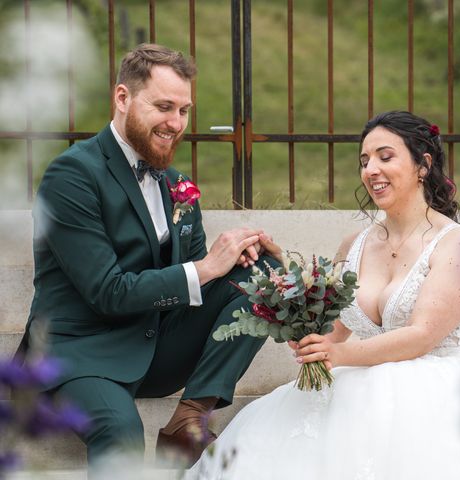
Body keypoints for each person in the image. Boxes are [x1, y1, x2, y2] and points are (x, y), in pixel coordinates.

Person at [185, 111, 460, 480]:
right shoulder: (355, 243)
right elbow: (335, 332)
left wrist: (338, 356)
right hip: (359, 376)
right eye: (365, 161)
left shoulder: (456, 244)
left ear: (423, 165)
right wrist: (298, 316)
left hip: (447, 387)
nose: (371, 170)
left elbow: (422, 335)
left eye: (385, 156)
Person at [17, 43, 281, 468]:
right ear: (122, 98)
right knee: (121, 432)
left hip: (154, 345)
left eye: (184, 110)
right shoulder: (71, 175)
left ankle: (190, 417)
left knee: (266, 273)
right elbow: (107, 292)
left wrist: (243, 258)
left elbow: (198, 281)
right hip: (83, 352)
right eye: (163, 107)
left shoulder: (178, 185)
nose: (176, 123)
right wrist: (205, 266)